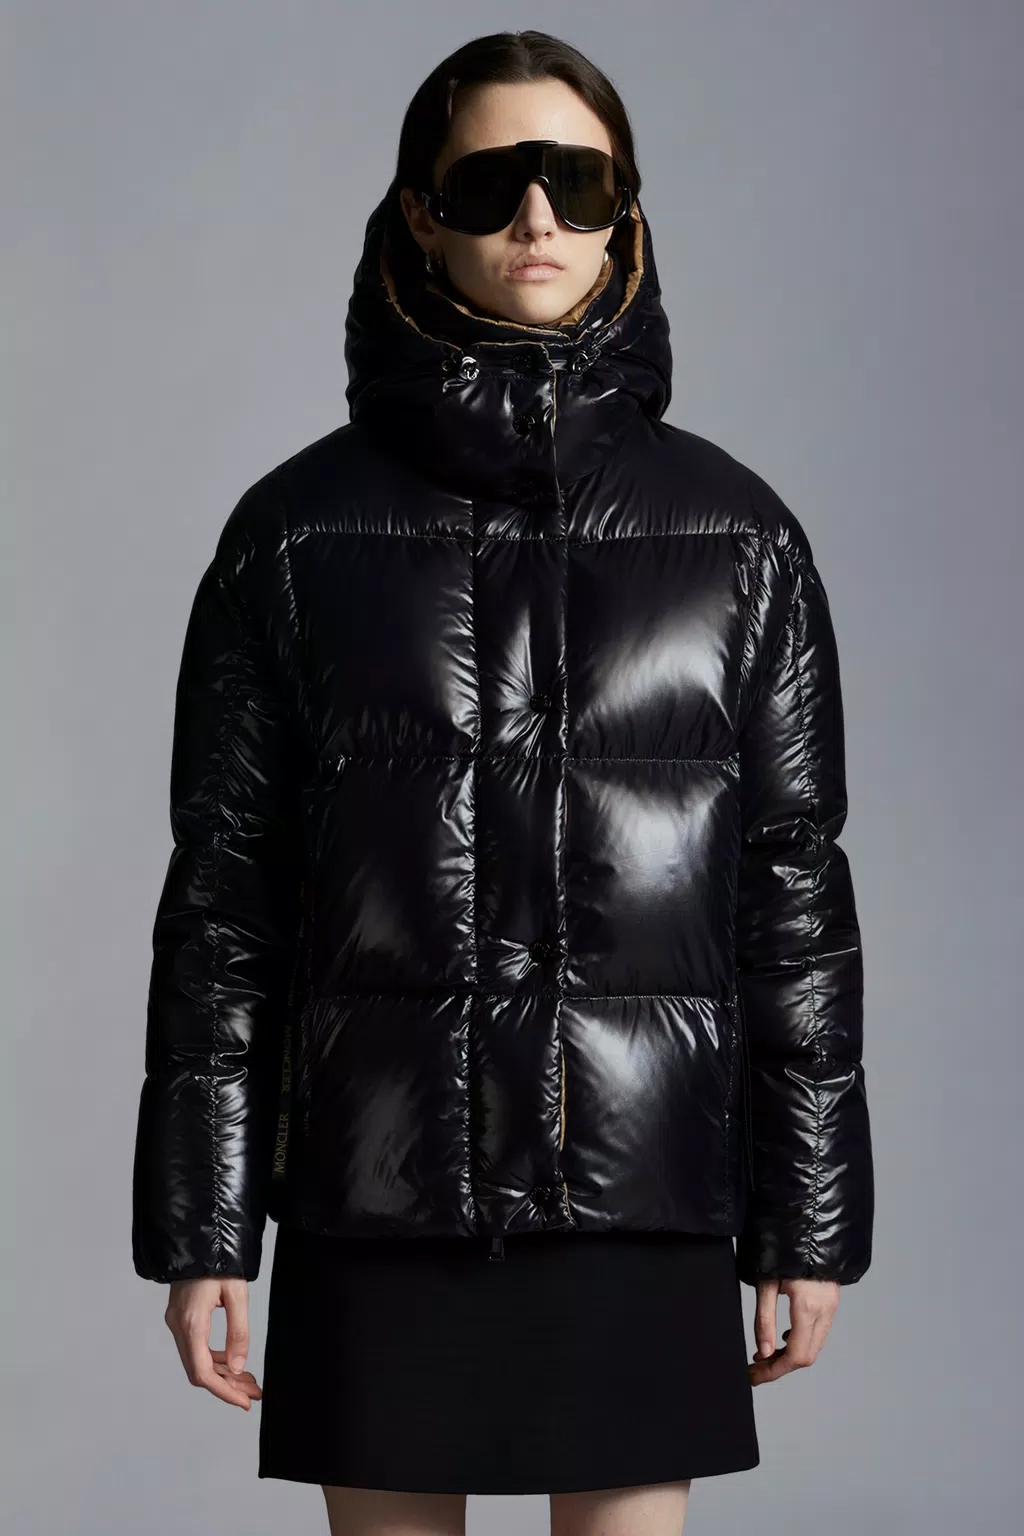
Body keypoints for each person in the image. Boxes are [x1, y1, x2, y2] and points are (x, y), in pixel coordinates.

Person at [131, 28, 874, 1536]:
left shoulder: (743, 540)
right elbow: (225, 900)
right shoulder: (292, 537)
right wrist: (204, 1225)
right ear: (421, 213)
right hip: (382, 1180)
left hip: (641, 1179)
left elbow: (792, 893)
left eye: (577, 182)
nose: (538, 217)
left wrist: (809, 1215)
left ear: (625, 215)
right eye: (491, 182)